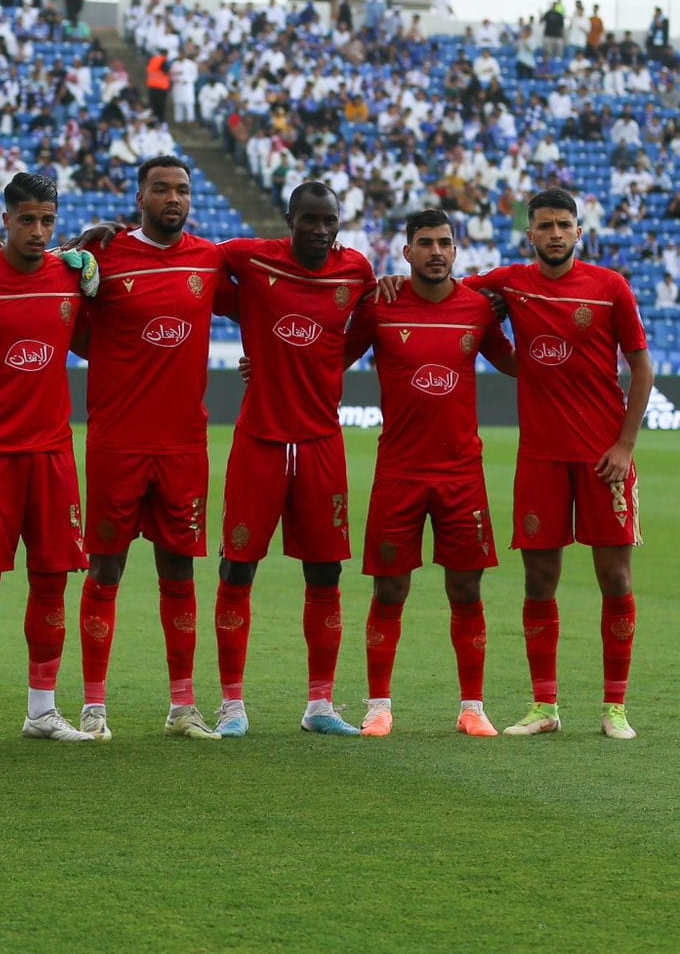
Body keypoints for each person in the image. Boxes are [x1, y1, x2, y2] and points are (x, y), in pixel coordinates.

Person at [464, 188, 653, 739]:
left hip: (604, 461)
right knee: (539, 581)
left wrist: (624, 448)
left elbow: (642, 373)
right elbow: (450, 298)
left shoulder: (609, 288)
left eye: (563, 225)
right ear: (530, 234)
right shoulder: (510, 282)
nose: (554, 233)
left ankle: (615, 708)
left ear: (578, 231)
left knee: (615, 579)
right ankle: (544, 707)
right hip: (540, 460)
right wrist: (497, 337)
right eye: (544, 225)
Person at [72, 156, 229, 742]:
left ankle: (182, 706)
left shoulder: (211, 259)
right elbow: (68, 316)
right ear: (139, 197)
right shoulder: (103, 257)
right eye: (161, 188)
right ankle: (93, 707)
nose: (172, 197)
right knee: (105, 566)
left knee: (179, 569)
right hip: (118, 440)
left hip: (184, 443)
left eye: (182, 189)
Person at [344, 211, 515, 737]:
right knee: (389, 590)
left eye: (444, 242)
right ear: (407, 253)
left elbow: (514, 363)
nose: (436, 251)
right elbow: (332, 356)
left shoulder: (478, 308)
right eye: (425, 243)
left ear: (457, 251)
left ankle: (473, 707)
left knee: (467, 590)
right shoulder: (381, 304)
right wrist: (266, 364)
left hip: (463, 473)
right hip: (399, 471)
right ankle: (378, 706)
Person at [215, 183, 375, 737]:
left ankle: (321, 705)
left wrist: (321, 362)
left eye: (328, 220)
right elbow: (195, 264)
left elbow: (362, 329)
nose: (319, 230)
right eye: (308, 220)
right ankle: (232, 704)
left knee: (325, 571)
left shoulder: (356, 270)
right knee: (238, 567)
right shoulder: (251, 257)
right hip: (259, 440)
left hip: (321, 444)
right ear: (290, 221)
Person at [0, 173, 92, 744]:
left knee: (52, 582)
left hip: (53, 455)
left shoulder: (71, 275)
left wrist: (92, 245)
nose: (37, 230)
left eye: (46, 220)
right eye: (26, 219)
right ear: (4, 220)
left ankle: (42, 710)